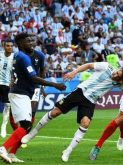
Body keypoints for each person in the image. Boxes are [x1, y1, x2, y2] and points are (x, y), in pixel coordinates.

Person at [20, 62, 123, 162]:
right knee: (55, 112)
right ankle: (31, 134)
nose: (116, 75)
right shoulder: (106, 66)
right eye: (118, 73)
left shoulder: (118, 82)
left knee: (85, 123)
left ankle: (68, 151)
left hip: (90, 101)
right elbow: (89, 65)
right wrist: (74, 72)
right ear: (118, 69)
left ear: (121, 79)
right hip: (80, 92)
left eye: (119, 77)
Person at [0, 33, 66, 164]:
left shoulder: (24, 56)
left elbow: (37, 73)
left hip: (24, 92)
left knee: (27, 125)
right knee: (26, 125)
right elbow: (33, 77)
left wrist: (39, 88)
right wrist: (55, 84)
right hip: (21, 93)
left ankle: (12, 153)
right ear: (20, 44)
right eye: (28, 41)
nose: (31, 43)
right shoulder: (23, 58)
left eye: (32, 40)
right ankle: (3, 148)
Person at [0, 39, 14, 138]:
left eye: (11, 46)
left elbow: (16, 72)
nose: (9, 47)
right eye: (7, 45)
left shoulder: (15, 57)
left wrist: (12, 81)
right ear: (3, 46)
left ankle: (3, 126)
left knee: (7, 105)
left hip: (7, 85)